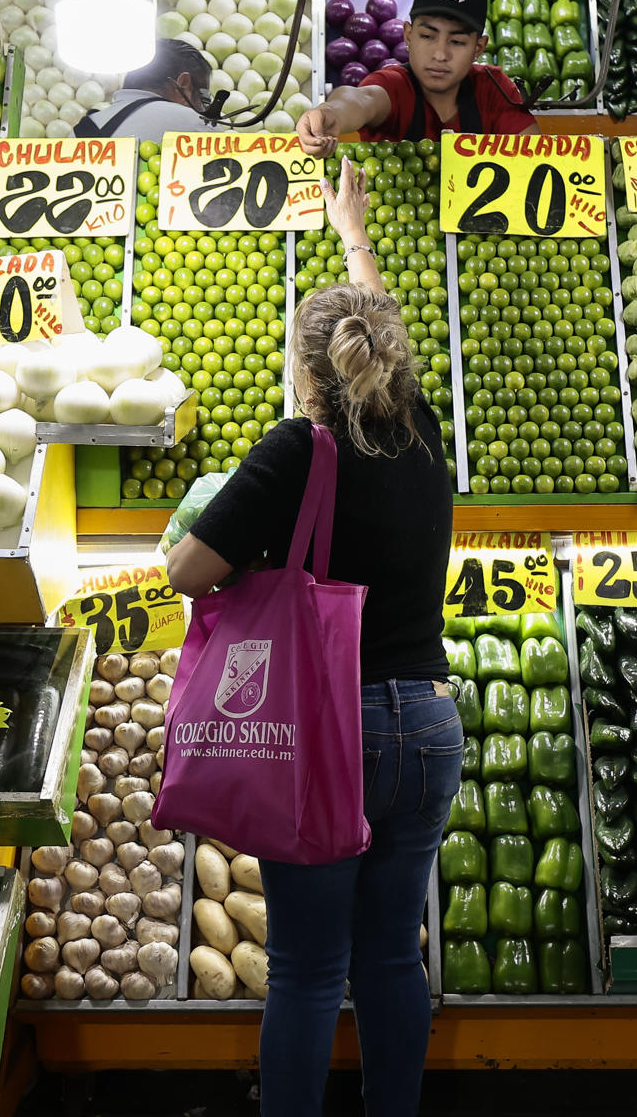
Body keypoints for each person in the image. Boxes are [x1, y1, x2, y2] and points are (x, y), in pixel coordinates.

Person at [165, 158, 458, 1117]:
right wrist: (353, 235)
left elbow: (188, 572)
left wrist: (258, 555)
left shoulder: (298, 450)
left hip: (330, 736)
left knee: (301, 968)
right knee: (387, 953)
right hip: (427, 725)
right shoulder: (422, 431)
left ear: (305, 370)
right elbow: (375, 321)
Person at [296, 0, 541, 154]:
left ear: (478, 47)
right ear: (408, 35)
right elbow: (362, 99)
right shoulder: (394, 85)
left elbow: (535, 153)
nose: (440, 54)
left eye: (457, 42)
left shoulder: (493, 87)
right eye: (427, 36)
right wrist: (330, 113)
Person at [75, 39, 214, 139]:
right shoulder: (195, 125)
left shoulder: (77, 134)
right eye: (202, 98)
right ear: (183, 83)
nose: (202, 108)